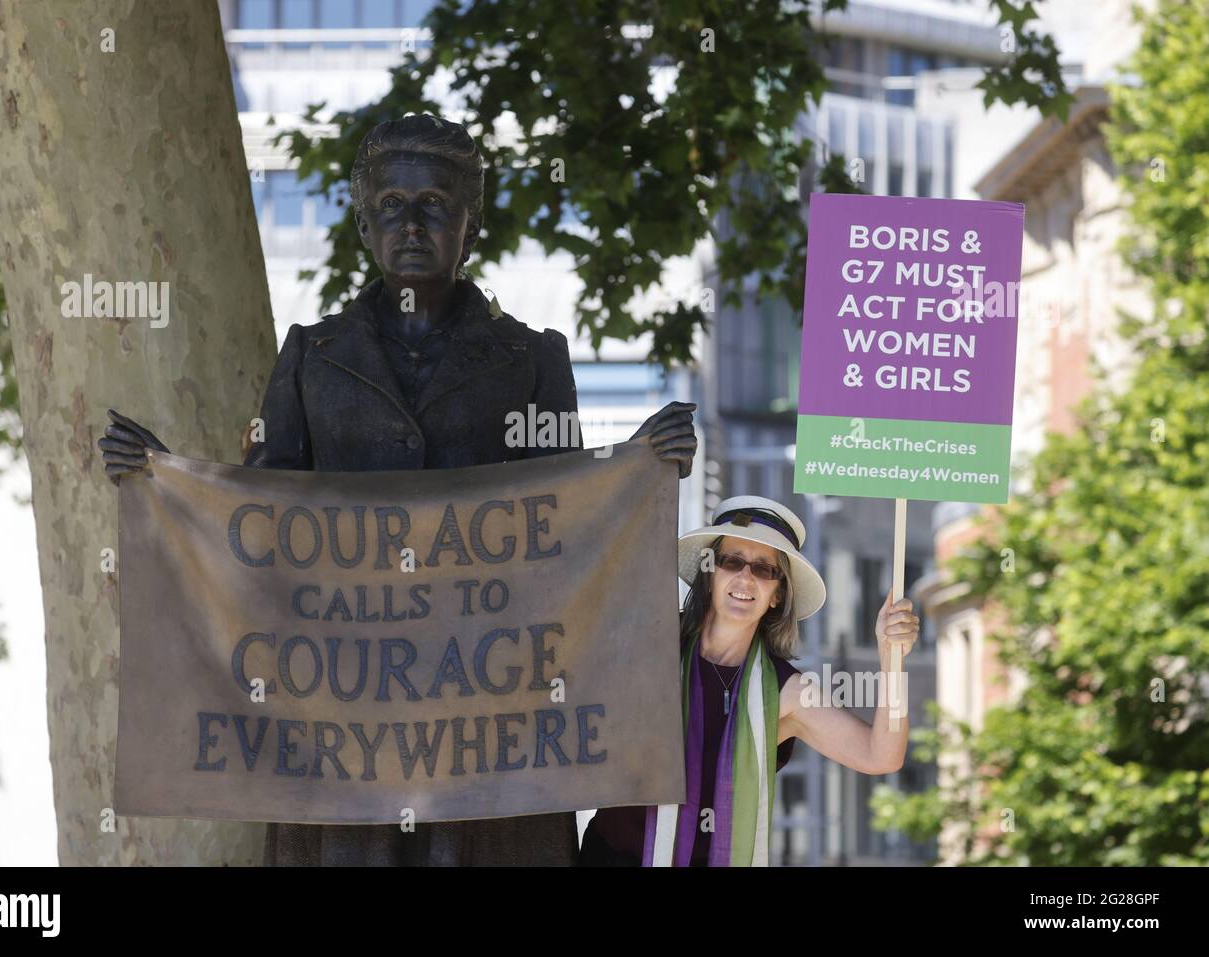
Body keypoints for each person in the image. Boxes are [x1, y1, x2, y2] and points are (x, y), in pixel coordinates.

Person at [98, 113, 697, 865]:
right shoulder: (311, 356)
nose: (412, 224)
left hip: (491, 725)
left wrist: (640, 461)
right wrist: (170, 486)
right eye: (392, 206)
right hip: (344, 729)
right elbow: (257, 522)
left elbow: (567, 526)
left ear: (470, 228)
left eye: (436, 207)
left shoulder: (533, 357)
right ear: (363, 223)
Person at [579, 495, 919, 866]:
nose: (745, 578)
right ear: (710, 575)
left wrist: (891, 658)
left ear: (778, 594)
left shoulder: (783, 692)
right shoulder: (650, 641)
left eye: (763, 569)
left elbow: (881, 755)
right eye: (732, 562)